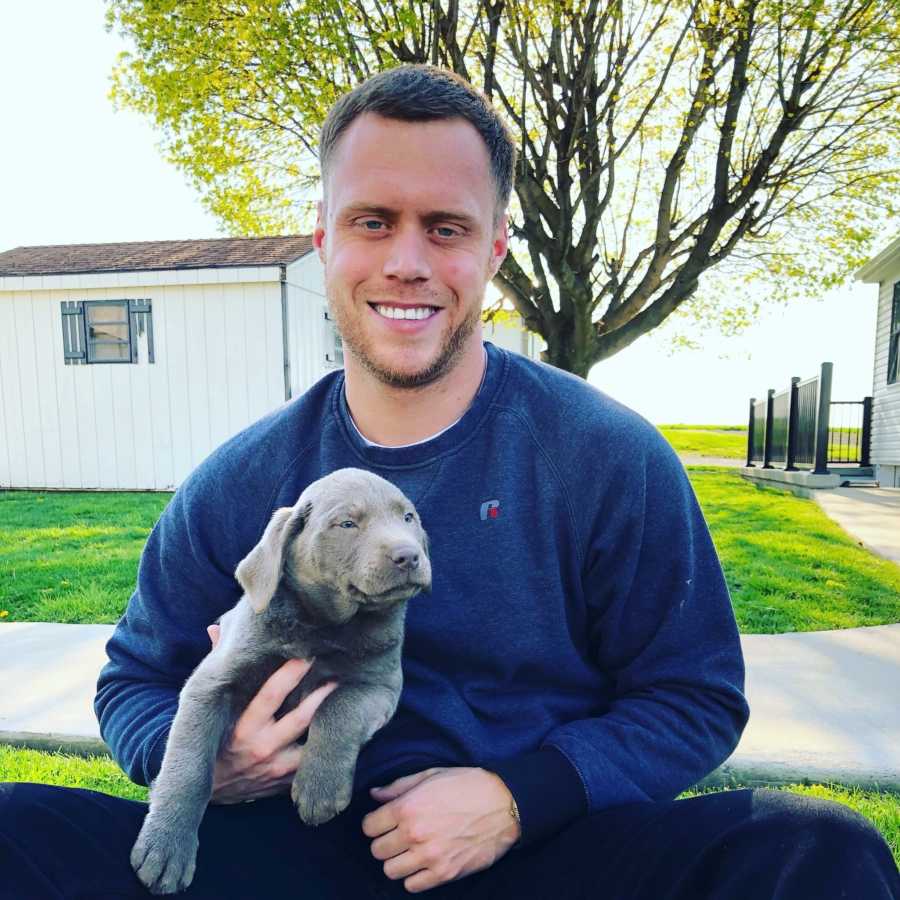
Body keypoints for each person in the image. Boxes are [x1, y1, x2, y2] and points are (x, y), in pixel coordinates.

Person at [1, 64, 897, 900]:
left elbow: (695, 697)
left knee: (818, 849)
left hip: (543, 852)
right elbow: (132, 680)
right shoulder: (244, 480)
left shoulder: (605, 456)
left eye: (446, 227)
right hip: (280, 851)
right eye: (372, 221)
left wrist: (519, 797)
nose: (407, 262)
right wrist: (202, 761)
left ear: (495, 249)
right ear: (325, 239)